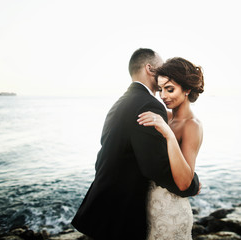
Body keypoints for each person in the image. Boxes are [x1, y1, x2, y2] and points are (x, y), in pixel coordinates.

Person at [71, 48, 200, 240]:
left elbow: (104, 157)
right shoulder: (149, 105)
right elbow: (155, 167)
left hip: (106, 206)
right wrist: (193, 185)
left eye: (170, 88)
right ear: (150, 68)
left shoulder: (121, 102)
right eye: (161, 67)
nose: (163, 94)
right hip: (122, 211)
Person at [137, 57, 204, 239]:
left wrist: (168, 134)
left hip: (171, 214)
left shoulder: (192, 125)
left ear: (187, 89)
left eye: (170, 89)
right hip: (149, 207)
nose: (163, 96)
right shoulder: (163, 116)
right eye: (160, 90)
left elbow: (184, 183)